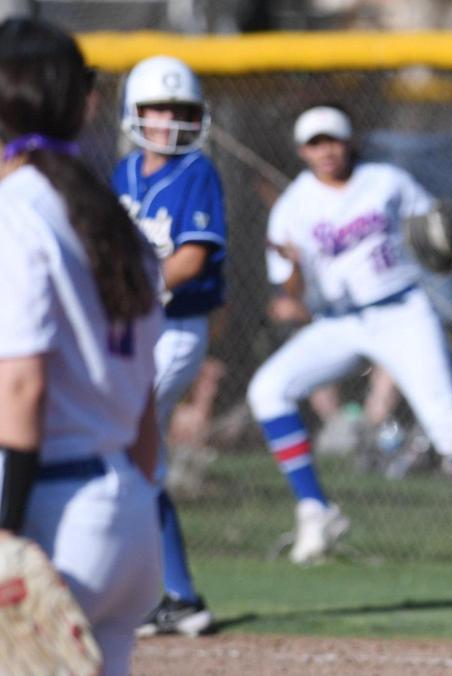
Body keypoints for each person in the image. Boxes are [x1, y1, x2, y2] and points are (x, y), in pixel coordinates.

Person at [248, 104, 452, 571]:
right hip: (340, 322)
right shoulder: (291, 209)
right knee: (267, 390)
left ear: (349, 143)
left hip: (402, 312)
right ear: (303, 151)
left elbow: (435, 223)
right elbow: (291, 294)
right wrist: (296, 272)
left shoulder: (385, 181)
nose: (325, 150)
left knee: (449, 424)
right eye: (315, 143)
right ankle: (315, 510)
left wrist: (441, 242)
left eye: (333, 140)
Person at [0, 17, 163, 675]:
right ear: (84, 104)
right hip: (127, 516)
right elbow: (146, 403)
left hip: (52, 515)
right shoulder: (115, 223)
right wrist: (140, 501)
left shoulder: (19, 211)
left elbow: (21, 385)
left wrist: (8, 533)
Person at [113, 54, 225, 637]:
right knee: (141, 462)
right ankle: (181, 598)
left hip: (176, 331)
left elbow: (192, 255)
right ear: (135, 111)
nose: (167, 120)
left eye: (179, 110)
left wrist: (131, 283)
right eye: (157, 108)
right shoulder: (125, 174)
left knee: (116, 441)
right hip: (133, 332)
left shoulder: (196, 172)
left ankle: (107, 582)